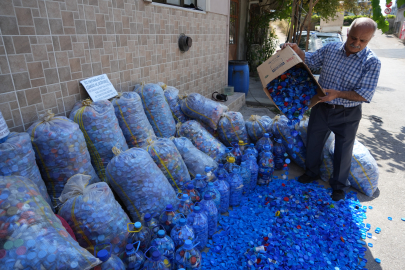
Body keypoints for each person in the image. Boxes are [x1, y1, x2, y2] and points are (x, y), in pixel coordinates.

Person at [281, 18, 381, 201]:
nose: (356, 43)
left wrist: (338, 94)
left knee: (344, 151)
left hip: (347, 113)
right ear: (347, 32)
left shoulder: (372, 62)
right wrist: (297, 51)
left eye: (363, 40)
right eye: (353, 37)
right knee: (313, 142)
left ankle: (338, 186)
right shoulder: (331, 49)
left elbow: (364, 94)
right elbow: (310, 61)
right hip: (321, 107)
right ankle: (311, 172)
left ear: (370, 39)